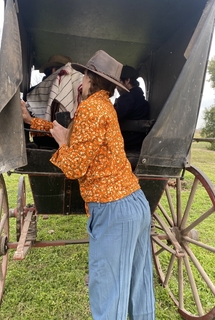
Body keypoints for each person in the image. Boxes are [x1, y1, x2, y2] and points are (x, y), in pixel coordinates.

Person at [21, 50, 155, 320]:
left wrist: (60, 144)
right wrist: (31, 122)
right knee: (138, 286)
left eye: (83, 76)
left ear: (91, 79)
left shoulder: (92, 109)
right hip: (135, 203)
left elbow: (74, 167)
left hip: (113, 209)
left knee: (107, 292)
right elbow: (73, 135)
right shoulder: (102, 106)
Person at [114, 65, 150, 153]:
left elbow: (112, 117)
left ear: (127, 80)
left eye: (118, 82)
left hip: (127, 145)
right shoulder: (139, 98)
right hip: (138, 144)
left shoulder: (128, 98)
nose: (116, 87)